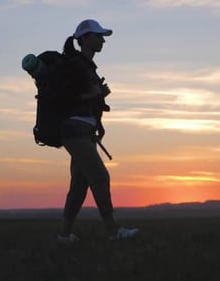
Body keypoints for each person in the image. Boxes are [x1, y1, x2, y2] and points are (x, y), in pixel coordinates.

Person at [56, 19, 139, 242]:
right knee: (100, 177)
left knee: (80, 185)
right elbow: (66, 97)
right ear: (84, 39)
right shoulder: (76, 64)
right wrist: (95, 94)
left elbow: (84, 99)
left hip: (84, 131)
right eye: (98, 36)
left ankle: (64, 236)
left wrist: (97, 103)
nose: (102, 40)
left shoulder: (86, 66)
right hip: (74, 131)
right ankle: (114, 233)